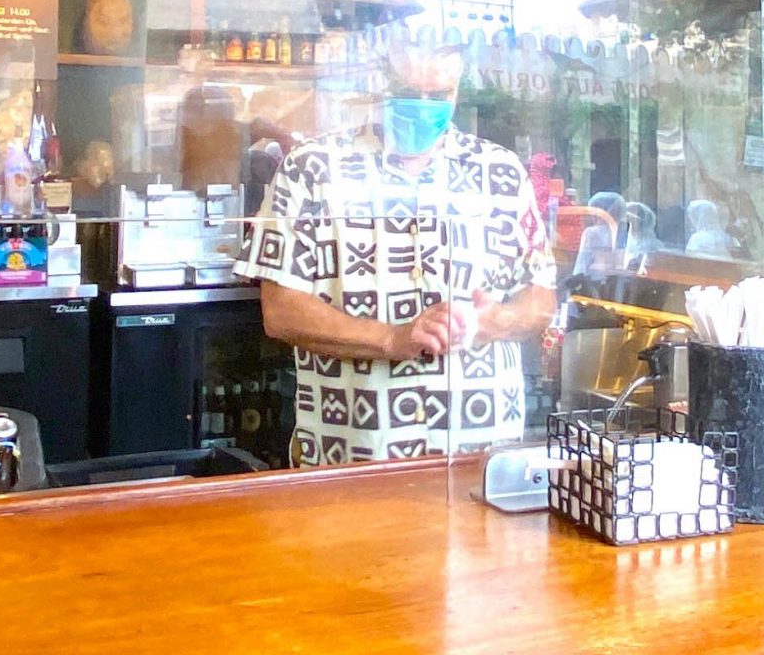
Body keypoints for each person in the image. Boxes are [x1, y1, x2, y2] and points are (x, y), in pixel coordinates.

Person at [239, 40, 558, 465]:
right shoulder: (311, 168)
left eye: (439, 95)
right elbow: (280, 311)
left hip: (481, 457)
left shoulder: (501, 172)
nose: (423, 106)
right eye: (408, 93)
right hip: (352, 456)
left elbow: (541, 297)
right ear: (379, 84)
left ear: (458, 88)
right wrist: (392, 339)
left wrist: (489, 322)